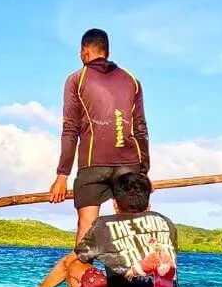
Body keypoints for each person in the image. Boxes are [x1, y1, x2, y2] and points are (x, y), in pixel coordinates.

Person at [8, 173, 182, 287]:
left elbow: (67, 264)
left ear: (115, 203)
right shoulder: (166, 223)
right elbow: (167, 271)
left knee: (77, 268)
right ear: (148, 205)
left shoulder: (104, 225)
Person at [48, 28, 150, 247]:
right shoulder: (132, 80)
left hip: (93, 165)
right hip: (129, 166)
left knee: (86, 229)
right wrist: (144, 173)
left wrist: (62, 175)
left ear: (85, 51)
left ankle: (82, 276)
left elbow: (70, 129)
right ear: (107, 50)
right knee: (131, 230)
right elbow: (140, 128)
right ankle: (133, 279)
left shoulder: (76, 79)